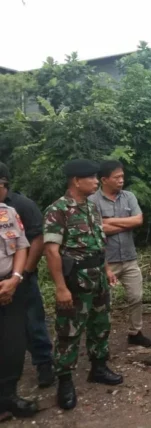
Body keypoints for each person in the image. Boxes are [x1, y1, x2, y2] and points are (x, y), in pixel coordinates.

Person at [43, 160, 122, 411]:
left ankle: (98, 367)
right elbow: (52, 252)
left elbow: (99, 243)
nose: (97, 181)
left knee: (101, 323)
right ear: (76, 180)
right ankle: (65, 381)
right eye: (92, 178)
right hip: (75, 281)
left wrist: (107, 269)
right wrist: (60, 287)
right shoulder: (58, 210)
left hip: (97, 276)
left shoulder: (91, 207)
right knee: (69, 331)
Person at [0, 163, 54, 388]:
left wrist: (22, 275)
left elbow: (34, 240)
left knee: (33, 324)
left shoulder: (19, 206)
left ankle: (44, 365)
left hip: (21, 277)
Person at [88, 161, 151, 348]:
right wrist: (122, 223)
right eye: (117, 177)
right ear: (104, 180)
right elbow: (96, 229)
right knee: (104, 303)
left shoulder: (129, 197)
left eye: (122, 176)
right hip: (106, 261)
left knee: (136, 296)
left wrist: (109, 222)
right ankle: (101, 341)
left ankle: (135, 332)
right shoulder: (93, 201)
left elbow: (138, 220)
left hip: (129, 257)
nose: (121, 180)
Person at [0, 202, 37, 420]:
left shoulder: (7, 212)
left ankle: (8, 397)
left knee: (13, 345)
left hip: (9, 287)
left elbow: (22, 246)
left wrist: (15, 279)